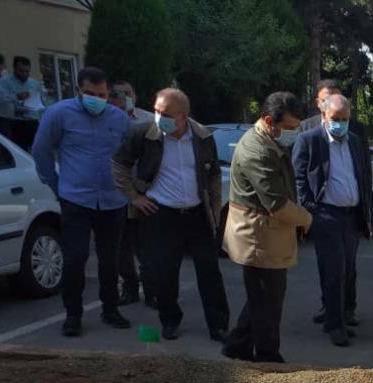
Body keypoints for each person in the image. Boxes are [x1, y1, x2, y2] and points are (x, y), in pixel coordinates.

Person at [112, 88, 230, 341]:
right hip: (161, 214)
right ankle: (170, 320)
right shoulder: (143, 135)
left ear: (183, 116)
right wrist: (134, 197)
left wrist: (214, 211)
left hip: (197, 213)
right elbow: (119, 164)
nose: (159, 118)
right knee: (164, 272)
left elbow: (213, 175)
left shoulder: (202, 136)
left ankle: (219, 325)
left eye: (166, 114)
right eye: (156, 111)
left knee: (210, 272)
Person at [32, 66, 131, 337]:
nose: (96, 99)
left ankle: (110, 309)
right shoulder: (58, 114)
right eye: (90, 94)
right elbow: (41, 151)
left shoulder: (119, 118)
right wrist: (55, 184)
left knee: (110, 259)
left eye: (102, 95)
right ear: (78, 90)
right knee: (75, 258)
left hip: (112, 200)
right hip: (76, 199)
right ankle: (73, 314)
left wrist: (130, 188)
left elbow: (130, 154)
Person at [221, 92, 312, 363]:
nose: (293, 133)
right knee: (268, 302)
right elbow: (277, 204)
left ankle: (237, 345)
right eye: (290, 127)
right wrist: (306, 218)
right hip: (259, 236)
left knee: (262, 297)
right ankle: (268, 357)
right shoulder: (258, 150)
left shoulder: (267, 140)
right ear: (270, 121)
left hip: (267, 234)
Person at [292, 93, 372, 347]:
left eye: (345, 119)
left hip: (352, 216)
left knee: (348, 271)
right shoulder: (309, 140)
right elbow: (299, 178)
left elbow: (364, 175)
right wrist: (311, 210)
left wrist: (366, 212)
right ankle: (336, 326)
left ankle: (341, 316)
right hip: (326, 215)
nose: (340, 124)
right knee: (334, 271)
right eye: (336, 118)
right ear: (324, 116)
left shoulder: (355, 141)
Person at [109, 80, 155, 306]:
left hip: (144, 192)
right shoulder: (106, 120)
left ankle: (152, 290)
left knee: (147, 247)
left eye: (128, 93)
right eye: (119, 94)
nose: (124, 98)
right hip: (116, 193)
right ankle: (129, 287)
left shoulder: (149, 120)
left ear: (135, 96)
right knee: (121, 247)